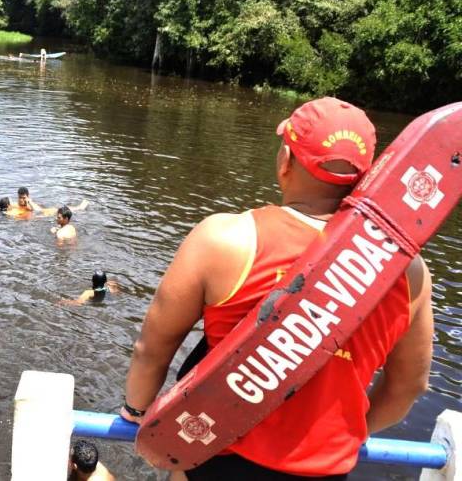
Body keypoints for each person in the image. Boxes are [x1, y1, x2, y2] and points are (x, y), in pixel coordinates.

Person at [121, 97, 433, 480]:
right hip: (325, 471)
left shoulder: (225, 239)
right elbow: (408, 387)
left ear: (286, 159)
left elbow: (152, 350)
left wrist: (136, 413)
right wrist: (339, 436)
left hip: (214, 458)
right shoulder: (407, 270)